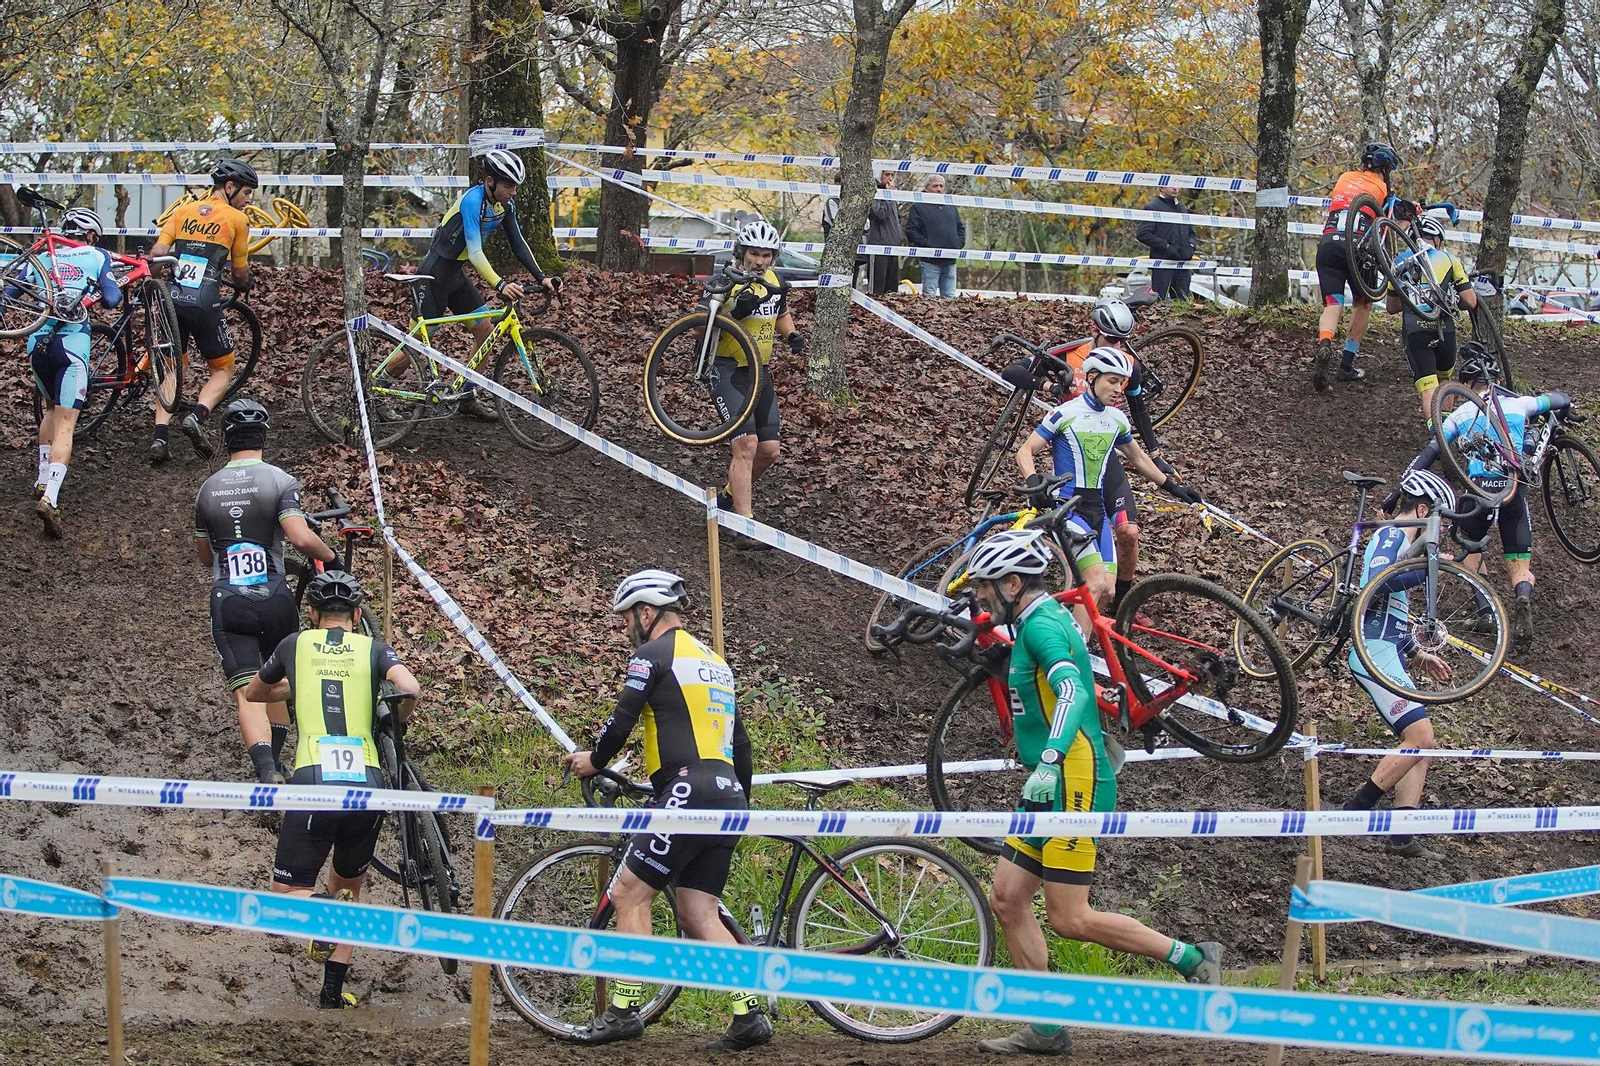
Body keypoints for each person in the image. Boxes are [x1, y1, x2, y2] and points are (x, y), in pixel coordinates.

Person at [965, 530, 1222, 1055]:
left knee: (1069, 917)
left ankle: (1194, 960)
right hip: (1049, 778)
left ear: (1014, 583)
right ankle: (1045, 1026)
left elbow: (1072, 689)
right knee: (1008, 900)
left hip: (1071, 776)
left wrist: (1053, 758)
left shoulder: (1043, 627)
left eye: (988, 587)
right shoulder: (1036, 624)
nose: (981, 597)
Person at [560, 570, 770, 1052]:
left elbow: (622, 720)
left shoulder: (652, 655)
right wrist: (741, 801)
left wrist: (594, 761)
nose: (625, 630)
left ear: (646, 613)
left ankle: (624, 1009)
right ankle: (748, 1015)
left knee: (629, 894)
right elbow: (741, 743)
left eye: (626, 619)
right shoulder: (716, 662)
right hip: (727, 792)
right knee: (699, 913)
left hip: (686, 790)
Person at [241, 570, 421, 1009]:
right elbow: (410, 687)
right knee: (350, 887)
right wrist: (395, 721)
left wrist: (298, 683)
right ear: (357, 615)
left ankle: (324, 908)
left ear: (313, 614)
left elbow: (254, 692)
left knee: (286, 893)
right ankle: (332, 993)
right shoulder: (372, 647)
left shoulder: (294, 645)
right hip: (368, 784)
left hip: (314, 779)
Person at [195, 399, 338, 775]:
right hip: (276, 596)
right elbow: (300, 538)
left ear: (226, 440)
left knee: (247, 691)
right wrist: (332, 558)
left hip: (230, 599)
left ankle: (266, 771)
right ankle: (279, 758)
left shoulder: (206, 490)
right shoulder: (279, 480)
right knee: (278, 678)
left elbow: (206, 557)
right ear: (263, 437)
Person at [1399, 353, 1575, 650]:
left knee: (1470, 551)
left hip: (1477, 492)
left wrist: (1402, 485)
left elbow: (1431, 450)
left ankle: (1485, 613)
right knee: (1519, 564)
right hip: (1513, 492)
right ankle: (1522, 596)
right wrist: (1565, 406)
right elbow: (1558, 398)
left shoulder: (1462, 413)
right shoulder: (1519, 404)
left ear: (1466, 384)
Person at [1015, 347, 1202, 614]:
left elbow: (1138, 459)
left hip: (1098, 510)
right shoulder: (1066, 413)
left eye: (1122, 383)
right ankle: (1068, 651)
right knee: (1094, 584)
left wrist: (1174, 488)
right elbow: (1025, 451)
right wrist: (1034, 482)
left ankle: (1063, 632)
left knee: (1108, 591)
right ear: (1092, 377)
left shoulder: (1117, 419)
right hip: (1068, 508)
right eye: (1112, 381)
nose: (1118, 389)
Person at [1339, 469, 1459, 860]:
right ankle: (1354, 812)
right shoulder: (1392, 535)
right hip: (1371, 649)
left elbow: (1389, 610)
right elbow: (1375, 583)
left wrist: (1417, 652)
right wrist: (1427, 567)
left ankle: (1402, 834)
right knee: (1419, 738)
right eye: (1438, 523)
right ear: (1423, 510)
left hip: (1385, 647)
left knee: (1423, 745)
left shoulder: (1402, 545)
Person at [1050, 299, 1183, 614]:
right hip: (1074, 450)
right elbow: (1015, 371)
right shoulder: (1069, 354)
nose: (1120, 345)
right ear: (1095, 331)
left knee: (1128, 531)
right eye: (1112, 339)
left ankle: (1123, 606)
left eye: (1124, 340)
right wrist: (1049, 385)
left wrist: (1157, 454)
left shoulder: (1129, 366)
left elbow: (1139, 409)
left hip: (1109, 450)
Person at [410, 148, 557, 420]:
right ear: (490, 182)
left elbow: (519, 244)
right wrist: (500, 285)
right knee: (416, 344)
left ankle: (467, 394)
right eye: (508, 185)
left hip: (454, 276)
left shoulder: (505, 205)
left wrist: (542, 277)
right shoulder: (472, 202)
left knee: (486, 332)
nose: (513, 191)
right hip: (432, 276)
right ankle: (380, 385)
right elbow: (476, 252)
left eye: (515, 186)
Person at [8, 207, 121, 537]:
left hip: (37, 344)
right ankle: (50, 498)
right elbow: (113, 298)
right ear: (89, 235)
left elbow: (10, 295)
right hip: (72, 345)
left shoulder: (42, 257)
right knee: (67, 423)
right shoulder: (97, 255)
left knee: (50, 409)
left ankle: (42, 477)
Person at [148, 158, 257, 463]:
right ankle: (196, 416)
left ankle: (160, 436)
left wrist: (153, 285)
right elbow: (238, 274)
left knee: (172, 368)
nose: (249, 200)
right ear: (230, 187)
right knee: (222, 368)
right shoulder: (237, 220)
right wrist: (246, 281)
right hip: (205, 299)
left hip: (172, 299)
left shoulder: (182, 211)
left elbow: (157, 254)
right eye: (247, 192)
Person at [708, 220, 804, 525]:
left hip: (759, 371)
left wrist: (791, 335)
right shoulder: (726, 280)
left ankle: (725, 498)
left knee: (769, 451)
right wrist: (734, 312)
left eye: (766, 255)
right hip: (726, 369)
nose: (759, 261)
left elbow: (781, 313)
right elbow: (697, 329)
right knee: (746, 446)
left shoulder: (773, 280)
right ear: (742, 252)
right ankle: (744, 524)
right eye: (754, 254)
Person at [1313, 142, 1402, 390]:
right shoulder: (1383, 188)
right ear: (1386, 169)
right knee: (1363, 304)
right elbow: (1390, 225)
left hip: (1329, 242)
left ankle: (1325, 343)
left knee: (1333, 303)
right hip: (1358, 246)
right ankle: (1346, 366)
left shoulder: (1344, 178)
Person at [1387, 212, 1477, 424]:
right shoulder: (1449, 259)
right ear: (1437, 239)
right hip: (1444, 328)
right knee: (1444, 381)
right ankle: (1448, 432)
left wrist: (1414, 298)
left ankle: (1437, 438)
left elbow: (1391, 307)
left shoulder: (1399, 262)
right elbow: (1470, 301)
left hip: (1414, 329)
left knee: (1428, 387)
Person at [905, 175, 965, 297]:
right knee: (929, 296)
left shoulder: (950, 206)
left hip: (950, 260)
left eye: (941, 186)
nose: (938, 189)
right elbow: (911, 231)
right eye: (935, 186)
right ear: (927, 188)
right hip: (930, 261)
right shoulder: (919, 206)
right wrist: (928, 244)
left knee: (949, 296)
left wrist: (958, 243)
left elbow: (960, 228)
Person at [1134, 188, 1198, 301]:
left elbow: (1191, 233)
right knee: (1159, 304)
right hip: (1162, 265)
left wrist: (1191, 246)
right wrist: (1166, 246)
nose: (1175, 188)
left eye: (1178, 184)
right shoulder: (1153, 207)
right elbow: (1143, 234)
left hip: (1183, 266)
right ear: (1161, 187)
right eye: (1171, 184)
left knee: (1183, 305)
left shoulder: (1182, 209)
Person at [865, 171, 905, 295]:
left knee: (892, 287)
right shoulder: (872, 191)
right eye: (887, 175)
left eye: (892, 175)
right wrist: (888, 196)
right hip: (878, 245)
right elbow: (880, 214)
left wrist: (900, 236)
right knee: (877, 288)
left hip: (893, 245)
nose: (890, 178)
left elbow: (897, 218)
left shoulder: (890, 194)